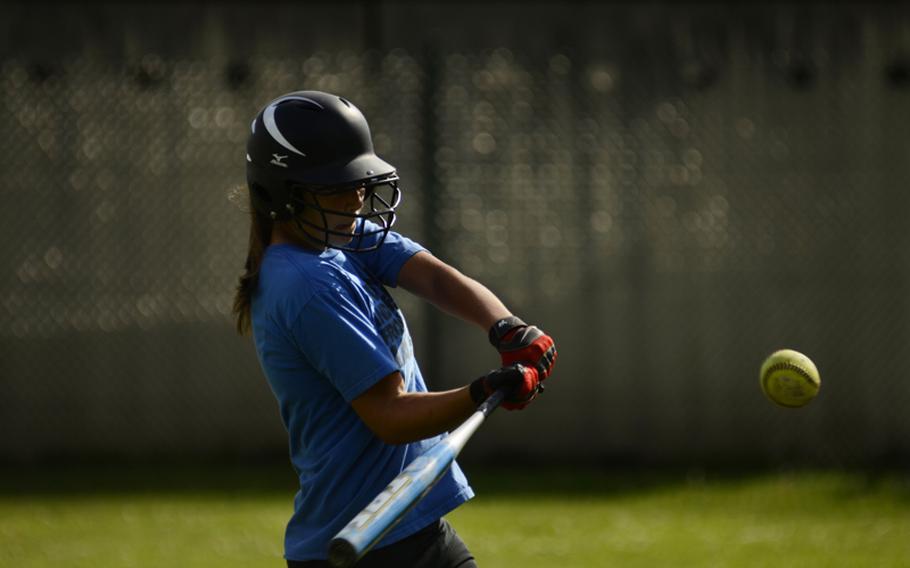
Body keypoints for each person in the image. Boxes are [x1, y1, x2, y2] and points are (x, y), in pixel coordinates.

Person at [232, 90, 557, 567]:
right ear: (284, 197)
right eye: (337, 186)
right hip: (364, 545)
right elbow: (390, 415)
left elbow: (431, 276)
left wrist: (505, 327)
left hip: (407, 523)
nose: (358, 196)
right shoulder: (306, 285)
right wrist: (484, 389)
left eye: (359, 180)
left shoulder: (337, 239)